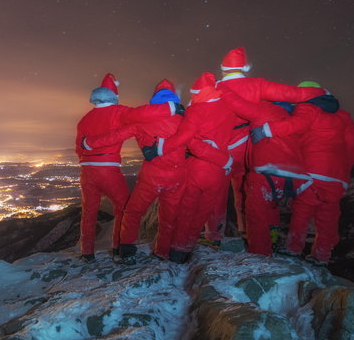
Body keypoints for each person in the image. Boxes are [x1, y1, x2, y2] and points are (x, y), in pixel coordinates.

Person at [206, 47, 329, 241]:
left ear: (223, 68)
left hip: (219, 146)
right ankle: (255, 229)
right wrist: (321, 93)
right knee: (250, 189)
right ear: (246, 67)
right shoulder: (257, 85)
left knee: (217, 192)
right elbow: (293, 94)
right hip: (249, 143)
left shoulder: (213, 87)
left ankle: (214, 235)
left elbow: (196, 113)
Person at [84, 79, 209, 262]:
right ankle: (163, 252)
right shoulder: (184, 121)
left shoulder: (142, 121)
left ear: (154, 100)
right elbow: (197, 145)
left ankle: (127, 251)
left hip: (151, 177)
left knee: (133, 213)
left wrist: (89, 143)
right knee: (168, 217)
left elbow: (116, 135)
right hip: (177, 177)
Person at [248, 81, 354, 265]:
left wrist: (267, 130)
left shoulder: (308, 108)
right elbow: (352, 144)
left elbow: (296, 125)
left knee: (302, 209)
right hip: (338, 176)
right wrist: (345, 173)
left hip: (314, 170)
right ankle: (322, 255)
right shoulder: (343, 116)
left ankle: (293, 248)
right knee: (328, 215)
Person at [75, 73, 177, 262]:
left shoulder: (84, 119)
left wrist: (87, 158)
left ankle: (87, 252)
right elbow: (143, 114)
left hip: (87, 170)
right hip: (108, 168)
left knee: (89, 211)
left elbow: (78, 147)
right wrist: (170, 108)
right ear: (115, 96)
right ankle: (117, 248)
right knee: (123, 207)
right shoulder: (118, 112)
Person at [154, 72, 238, 263]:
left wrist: (161, 147)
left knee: (187, 209)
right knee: (203, 211)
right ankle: (188, 245)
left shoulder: (195, 111)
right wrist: (223, 159)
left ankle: (177, 249)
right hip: (218, 172)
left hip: (197, 168)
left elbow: (187, 140)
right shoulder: (228, 109)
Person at [219, 87, 312, 256]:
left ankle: (260, 253)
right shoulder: (291, 120)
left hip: (266, 169)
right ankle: (273, 237)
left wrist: (222, 88)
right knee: (271, 205)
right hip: (293, 175)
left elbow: (237, 104)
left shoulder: (265, 110)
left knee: (256, 212)